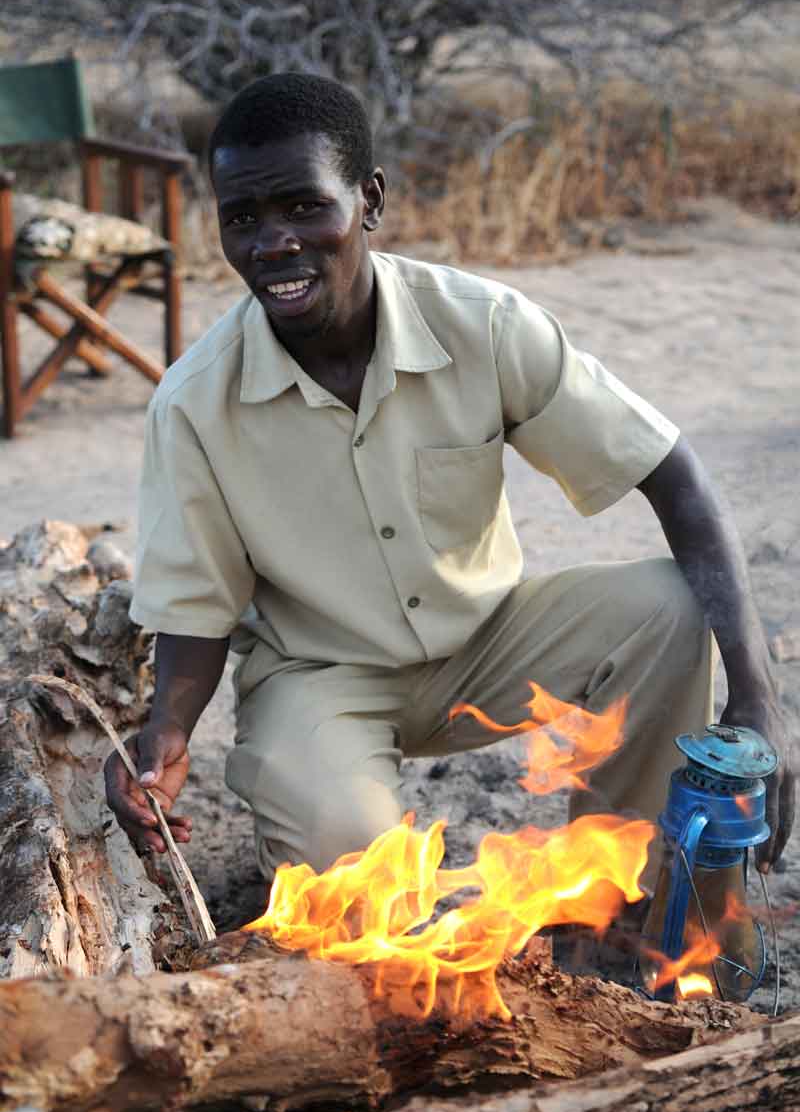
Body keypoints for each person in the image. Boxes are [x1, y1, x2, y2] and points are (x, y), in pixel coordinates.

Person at [104, 72, 794, 901]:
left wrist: (759, 696)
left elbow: (674, 475)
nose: (271, 243)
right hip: (322, 677)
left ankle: (621, 898)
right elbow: (194, 612)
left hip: (495, 638)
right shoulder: (192, 404)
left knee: (673, 605)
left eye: (303, 207)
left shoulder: (484, 325)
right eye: (241, 218)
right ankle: (345, 840)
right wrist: (167, 734)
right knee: (356, 881)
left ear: (370, 200)